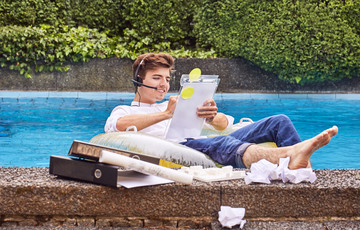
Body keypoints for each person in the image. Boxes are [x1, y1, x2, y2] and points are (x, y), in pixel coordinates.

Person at [105, 53, 338, 169]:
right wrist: (166, 114)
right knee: (221, 144)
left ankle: (303, 168)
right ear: (139, 80)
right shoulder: (124, 109)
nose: (164, 84)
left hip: (198, 140)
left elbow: (226, 124)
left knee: (279, 121)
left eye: (167, 78)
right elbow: (118, 126)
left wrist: (212, 115)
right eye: (156, 78)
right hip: (179, 147)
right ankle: (289, 158)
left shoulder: (177, 103)